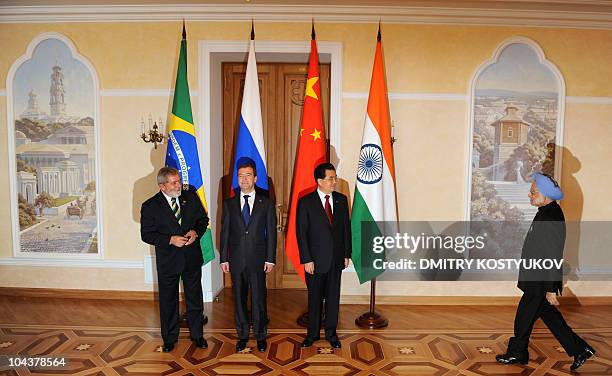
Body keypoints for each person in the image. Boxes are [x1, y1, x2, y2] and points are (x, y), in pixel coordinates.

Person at [496, 172, 595, 370]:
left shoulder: (551, 216)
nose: (529, 195)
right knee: (549, 316)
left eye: (533, 192)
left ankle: (518, 353)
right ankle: (580, 349)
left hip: (540, 279)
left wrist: (550, 288)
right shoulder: (546, 212)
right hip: (537, 276)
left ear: (546, 194)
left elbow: (552, 254)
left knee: (524, 316)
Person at [140, 167, 209, 352]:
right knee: (168, 300)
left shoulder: (191, 197)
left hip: (191, 257)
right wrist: (170, 240)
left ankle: (197, 335)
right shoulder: (150, 206)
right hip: (168, 260)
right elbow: (146, 235)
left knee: (194, 298)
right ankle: (170, 338)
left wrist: (196, 232)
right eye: (174, 182)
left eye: (178, 181)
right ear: (162, 186)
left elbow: (203, 220)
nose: (179, 185)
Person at [220, 157, 277, 353]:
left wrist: (270, 258)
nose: (244, 179)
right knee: (239, 298)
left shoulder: (266, 204)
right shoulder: (229, 204)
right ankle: (243, 335)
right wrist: (224, 258)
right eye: (240, 176)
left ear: (255, 178)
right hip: (236, 259)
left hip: (258, 259)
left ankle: (261, 335)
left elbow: (271, 233)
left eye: (248, 175)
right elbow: (224, 232)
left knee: (259, 299)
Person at [297, 162, 351, 349]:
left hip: (336, 260)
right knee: (314, 299)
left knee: (333, 298)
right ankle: (312, 334)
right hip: (314, 261)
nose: (334, 181)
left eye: (335, 178)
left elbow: (346, 229)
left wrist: (346, 254)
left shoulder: (341, 200)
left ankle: (331, 333)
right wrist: (306, 259)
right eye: (330, 178)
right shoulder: (305, 202)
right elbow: (301, 233)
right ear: (319, 181)